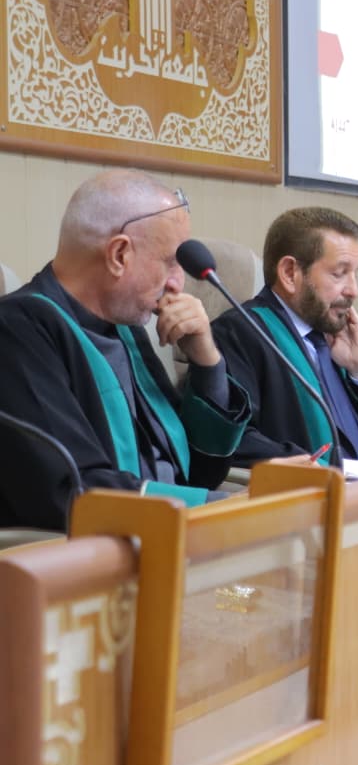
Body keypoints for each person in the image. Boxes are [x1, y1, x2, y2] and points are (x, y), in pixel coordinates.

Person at [0, 169, 253, 530]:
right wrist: (223, 507)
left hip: (168, 534)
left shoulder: (127, 331)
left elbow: (200, 472)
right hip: (98, 553)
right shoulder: (18, 331)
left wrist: (206, 360)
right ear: (119, 254)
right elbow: (71, 489)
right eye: (170, 263)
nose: (178, 284)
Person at [211, 207, 358, 464]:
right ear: (290, 273)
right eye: (339, 273)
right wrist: (310, 465)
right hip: (319, 486)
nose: (354, 290)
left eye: (355, 273)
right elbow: (232, 440)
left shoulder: (336, 335)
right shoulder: (242, 333)